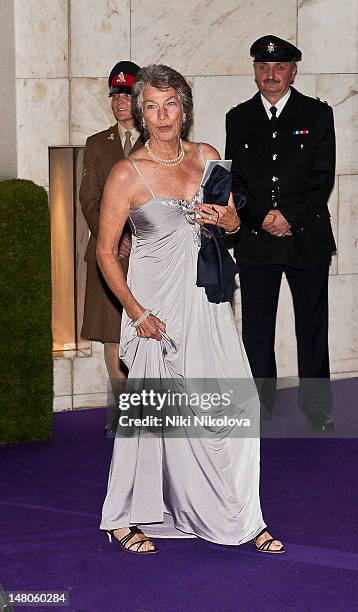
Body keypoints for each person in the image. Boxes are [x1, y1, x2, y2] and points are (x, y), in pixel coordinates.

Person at [97, 64, 283, 554]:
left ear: (185, 108)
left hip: (209, 300)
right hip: (156, 308)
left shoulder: (208, 158)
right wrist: (136, 313)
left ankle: (240, 515)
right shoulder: (125, 173)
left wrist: (229, 219)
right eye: (152, 106)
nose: (162, 115)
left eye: (170, 104)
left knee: (236, 404)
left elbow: (230, 226)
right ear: (139, 111)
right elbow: (105, 251)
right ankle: (122, 518)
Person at [225, 36, 336, 432]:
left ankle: (318, 408)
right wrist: (259, 217)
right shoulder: (238, 118)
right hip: (256, 238)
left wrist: (288, 216)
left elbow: (323, 179)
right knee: (256, 328)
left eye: (279, 67)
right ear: (255, 70)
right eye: (263, 67)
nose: (270, 75)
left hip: (306, 237)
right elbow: (235, 181)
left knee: (312, 326)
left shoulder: (318, 115)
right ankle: (259, 404)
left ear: (293, 70)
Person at [80, 60, 142, 393]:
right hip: (109, 254)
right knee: (112, 333)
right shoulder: (96, 144)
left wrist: (135, 236)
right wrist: (112, 237)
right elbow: (88, 200)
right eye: (115, 95)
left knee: (147, 330)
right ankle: (121, 409)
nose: (120, 102)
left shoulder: (156, 141)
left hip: (149, 254)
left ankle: (151, 406)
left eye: (127, 94)